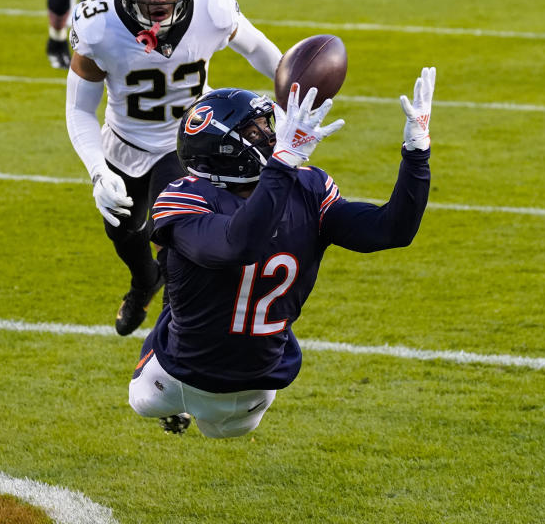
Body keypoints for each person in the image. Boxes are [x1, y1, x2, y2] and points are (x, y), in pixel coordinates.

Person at [127, 69, 436, 438]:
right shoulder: (200, 195)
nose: (273, 135)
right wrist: (283, 166)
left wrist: (416, 154)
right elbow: (238, 243)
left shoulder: (296, 188)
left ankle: (174, 407)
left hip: (183, 381)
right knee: (180, 276)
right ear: (226, 150)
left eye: (267, 125)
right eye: (255, 130)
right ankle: (190, 409)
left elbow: (391, 231)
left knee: (170, 296)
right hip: (241, 384)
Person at [65, 0, 282, 337]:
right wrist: (97, 170)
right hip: (124, 142)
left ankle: (168, 354)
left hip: (189, 144)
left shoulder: (212, 9)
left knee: (178, 251)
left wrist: (292, 98)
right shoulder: (99, 28)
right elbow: (79, 110)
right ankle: (142, 281)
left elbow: (259, 50)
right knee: (125, 233)